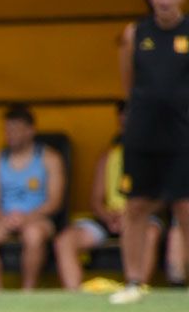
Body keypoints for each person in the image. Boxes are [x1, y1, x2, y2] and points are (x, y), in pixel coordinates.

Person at [112, 0, 189, 304]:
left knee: (185, 206)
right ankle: (133, 281)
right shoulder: (135, 33)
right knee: (136, 206)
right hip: (143, 136)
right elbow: (128, 83)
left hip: (182, 135)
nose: (165, 1)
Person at [54, 101, 162, 290]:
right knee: (64, 241)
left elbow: (162, 199)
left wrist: (132, 215)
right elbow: (96, 200)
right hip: (109, 220)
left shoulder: (156, 158)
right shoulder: (108, 157)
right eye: (122, 120)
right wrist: (108, 216)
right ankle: (75, 295)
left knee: (151, 233)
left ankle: (137, 289)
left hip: (141, 218)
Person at [0, 104, 65, 291]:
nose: (10, 135)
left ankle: (27, 291)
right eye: (7, 130)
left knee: (33, 235)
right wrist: (7, 219)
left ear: (30, 130)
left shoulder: (50, 159)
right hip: (4, 220)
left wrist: (26, 218)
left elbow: (54, 202)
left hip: (38, 218)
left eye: (15, 130)